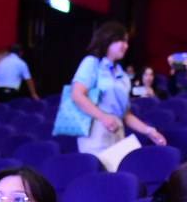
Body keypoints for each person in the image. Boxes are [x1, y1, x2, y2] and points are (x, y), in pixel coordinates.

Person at [59, 22, 166, 155]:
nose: (126, 46)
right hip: (96, 131)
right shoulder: (92, 63)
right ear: (108, 39)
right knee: (97, 166)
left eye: (127, 42)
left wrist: (149, 131)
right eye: (122, 40)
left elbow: (125, 115)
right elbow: (77, 95)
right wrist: (103, 116)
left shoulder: (123, 76)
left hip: (117, 132)